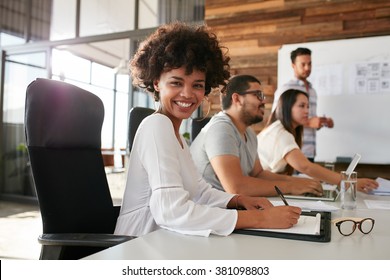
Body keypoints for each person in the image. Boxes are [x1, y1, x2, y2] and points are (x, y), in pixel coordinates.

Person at [114, 22, 301, 237]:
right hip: (140, 245)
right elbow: (171, 211)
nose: (187, 94)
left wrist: (238, 200)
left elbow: (199, 191)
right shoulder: (157, 125)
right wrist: (260, 218)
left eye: (197, 85)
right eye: (176, 83)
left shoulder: (176, 135)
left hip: (167, 239)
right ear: (157, 83)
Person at [190, 74, 323, 197]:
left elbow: (258, 174)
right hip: (209, 213)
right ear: (237, 99)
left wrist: (298, 182)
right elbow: (236, 188)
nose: (264, 101)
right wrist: (290, 186)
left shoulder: (249, 133)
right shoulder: (221, 129)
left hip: (229, 208)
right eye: (258, 95)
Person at [258, 89, 378, 193]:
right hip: (261, 189)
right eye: (301, 106)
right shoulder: (281, 133)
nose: (307, 111)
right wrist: (348, 182)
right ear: (287, 107)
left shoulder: (278, 128)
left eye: (308, 106)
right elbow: (306, 167)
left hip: (266, 186)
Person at [272, 47, 333, 162]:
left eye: (310, 64)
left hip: (310, 151)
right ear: (293, 65)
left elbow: (307, 118)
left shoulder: (313, 91)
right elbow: (277, 118)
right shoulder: (286, 89)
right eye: (303, 64)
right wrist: (309, 122)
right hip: (291, 150)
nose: (307, 68)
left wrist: (320, 122)